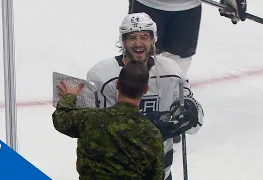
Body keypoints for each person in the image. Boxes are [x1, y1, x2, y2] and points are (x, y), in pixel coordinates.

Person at [86, 13, 204, 180]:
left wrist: (191, 112)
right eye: (132, 37)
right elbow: (91, 132)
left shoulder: (171, 71)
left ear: (153, 39)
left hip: (160, 172)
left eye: (144, 36)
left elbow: (195, 122)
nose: (138, 43)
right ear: (123, 41)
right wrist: (147, 128)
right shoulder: (101, 76)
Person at [128, 0, 246, 143]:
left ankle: (168, 114)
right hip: (148, 4)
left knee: (179, 61)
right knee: (140, 57)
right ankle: (132, 112)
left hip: (187, 7)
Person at [52, 60, 165, 180]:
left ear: (117, 84)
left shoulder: (90, 118)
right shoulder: (153, 135)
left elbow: (61, 118)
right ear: (146, 89)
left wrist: (70, 97)